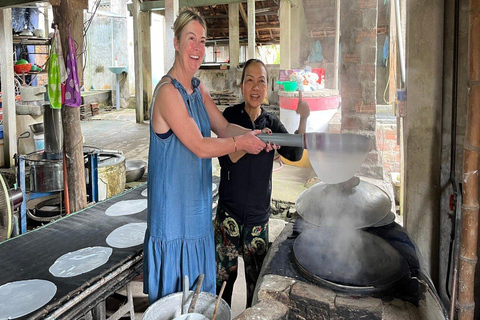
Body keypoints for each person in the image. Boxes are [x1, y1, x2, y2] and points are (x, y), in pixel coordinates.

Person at [143, 9, 273, 304]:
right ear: (176, 43)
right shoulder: (167, 92)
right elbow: (201, 146)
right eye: (191, 39)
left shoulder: (197, 88)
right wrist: (242, 142)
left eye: (202, 41)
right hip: (174, 215)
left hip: (197, 211)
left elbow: (224, 126)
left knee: (198, 300)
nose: (198, 48)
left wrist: (260, 135)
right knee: (175, 302)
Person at [214, 59, 310, 307]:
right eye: (250, 80)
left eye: (262, 81)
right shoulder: (229, 117)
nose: (255, 87)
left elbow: (296, 154)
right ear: (242, 86)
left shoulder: (272, 123)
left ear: (267, 88)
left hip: (258, 220)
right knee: (223, 283)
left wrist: (303, 119)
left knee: (256, 288)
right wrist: (251, 142)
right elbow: (226, 161)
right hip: (229, 217)